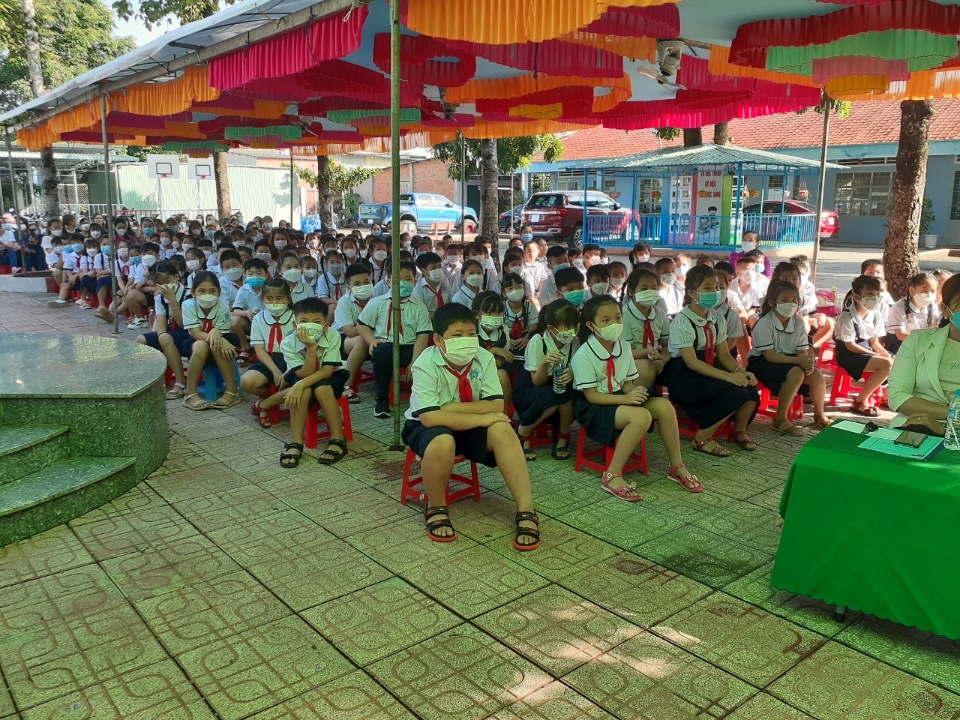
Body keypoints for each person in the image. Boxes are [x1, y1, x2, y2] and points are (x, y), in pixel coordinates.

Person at [401, 303, 539, 550]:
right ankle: (436, 507)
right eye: (457, 335)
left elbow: (496, 404)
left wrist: (449, 407)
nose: (466, 340)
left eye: (471, 334)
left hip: (463, 422)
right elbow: (429, 418)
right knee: (442, 441)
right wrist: (480, 418)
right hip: (425, 426)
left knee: (503, 429)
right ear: (438, 340)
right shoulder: (425, 363)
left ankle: (526, 510)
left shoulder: (483, 358)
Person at [572, 295, 702, 498]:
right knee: (641, 416)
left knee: (664, 407)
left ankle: (677, 466)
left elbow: (626, 383)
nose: (614, 324)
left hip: (618, 397)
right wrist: (626, 399)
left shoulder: (623, 346)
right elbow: (592, 396)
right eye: (606, 320)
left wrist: (633, 392)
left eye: (617, 318)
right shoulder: (583, 355)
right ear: (591, 325)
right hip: (594, 406)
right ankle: (612, 474)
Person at [667, 265, 760, 456]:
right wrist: (727, 377)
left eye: (717, 287)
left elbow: (724, 355)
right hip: (685, 375)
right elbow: (691, 362)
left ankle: (739, 430)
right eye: (707, 288)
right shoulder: (682, 321)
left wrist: (740, 372)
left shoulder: (717, 319)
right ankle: (702, 438)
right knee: (733, 391)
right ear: (692, 293)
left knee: (749, 388)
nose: (715, 292)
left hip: (709, 366)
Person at [747, 280, 831, 434]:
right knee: (796, 372)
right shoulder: (765, 323)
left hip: (788, 360)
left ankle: (819, 415)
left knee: (816, 375)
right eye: (784, 300)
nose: (790, 304)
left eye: (794, 300)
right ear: (773, 302)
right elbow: (769, 355)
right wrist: (798, 361)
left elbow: (801, 350)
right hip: (762, 362)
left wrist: (806, 362)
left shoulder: (798, 323)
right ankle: (780, 418)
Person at [278, 297, 351, 467]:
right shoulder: (288, 342)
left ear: (325, 326)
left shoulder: (332, 335)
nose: (309, 326)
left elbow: (327, 371)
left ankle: (338, 439)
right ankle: (296, 442)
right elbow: (304, 374)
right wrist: (311, 348)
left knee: (321, 388)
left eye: (316, 322)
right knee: (303, 392)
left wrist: (299, 385)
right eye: (304, 321)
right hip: (303, 373)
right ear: (295, 325)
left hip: (331, 374)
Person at [357, 261, 432, 418]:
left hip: (410, 347)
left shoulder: (419, 307)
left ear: (415, 281)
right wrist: (371, 340)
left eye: (408, 279)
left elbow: (422, 335)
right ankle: (382, 399)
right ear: (389, 281)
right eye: (398, 279)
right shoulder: (377, 302)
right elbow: (362, 325)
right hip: (386, 346)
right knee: (384, 352)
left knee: (429, 356)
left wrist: (414, 360)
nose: (403, 282)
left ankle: (424, 400)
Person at [888, 273, 960, 432]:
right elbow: (897, 396)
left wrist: (948, 426)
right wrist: (950, 414)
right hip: (918, 423)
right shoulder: (918, 341)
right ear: (945, 310)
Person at [514, 299, 579, 461]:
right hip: (530, 388)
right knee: (554, 398)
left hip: (557, 386)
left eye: (574, 326)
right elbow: (537, 382)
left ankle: (563, 437)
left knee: (568, 395)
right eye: (567, 327)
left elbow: (575, 368)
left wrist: (571, 373)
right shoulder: (538, 341)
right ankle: (525, 431)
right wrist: (544, 363)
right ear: (551, 328)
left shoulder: (575, 342)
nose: (571, 331)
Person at [833, 274, 893, 417]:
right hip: (849, 355)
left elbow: (874, 342)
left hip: (867, 350)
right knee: (885, 364)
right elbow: (851, 346)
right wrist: (878, 356)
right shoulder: (846, 316)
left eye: (877, 294)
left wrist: (885, 354)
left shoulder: (876, 315)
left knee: (895, 360)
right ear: (856, 297)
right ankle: (860, 400)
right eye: (870, 294)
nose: (875, 297)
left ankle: (885, 395)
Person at [181, 271, 241, 411]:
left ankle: (232, 391)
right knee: (201, 345)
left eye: (212, 290)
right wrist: (216, 336)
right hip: (196, 343)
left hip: (222, 340)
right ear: (193, 293)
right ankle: (190, 393)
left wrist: (217, 334)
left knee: (217, 344)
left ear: (219, 293)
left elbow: (221, 331)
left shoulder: (223, 307)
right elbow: (196, 333)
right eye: (201, 291)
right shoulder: (188, 305)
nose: (207, 295)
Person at [240, 279, 295, 427]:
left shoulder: (296, 317)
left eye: (279, 298)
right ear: (262, 299)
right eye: (269, 298)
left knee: (302, 384)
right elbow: (259, 349)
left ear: (288, 299)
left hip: (294, 359)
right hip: (269, 359)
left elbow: (301, 349)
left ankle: (265, 404)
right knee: (247, 382)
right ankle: (272, 396)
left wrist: (289, 371)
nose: (274, 303)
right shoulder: (259, 319)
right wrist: (275, 371)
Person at [134, 261, 192, 399]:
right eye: (160, 283)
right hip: (170, 335)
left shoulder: (188, 294)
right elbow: (161, 325)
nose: (165, 286)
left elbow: (182, 324)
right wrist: (161, 339)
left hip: (189, 335)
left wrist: (172, 301)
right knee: (142, 339)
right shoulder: (159, 298)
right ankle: (152, 379)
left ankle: (180, 382)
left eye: (167, 281)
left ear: (176, 277)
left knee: (165, 337)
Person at [622, 267, 669, 389]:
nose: (650, 292)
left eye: (654, 288)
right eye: (644, 289)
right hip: (632, 359)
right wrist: (648, 352)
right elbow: (627, 352)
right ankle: (637, 397)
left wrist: (662, 360)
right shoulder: (624, 315)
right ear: (631, 292)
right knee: (646, 367)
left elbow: (666, 344)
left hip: (655, 357)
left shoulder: (660, 313)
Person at [335, 265, 374, 403]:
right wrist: (369, 326)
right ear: (349, 287)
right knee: (360, 340)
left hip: (371, 337)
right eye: (357, 284)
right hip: (343, 341)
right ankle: (346, 385)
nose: (363, 286)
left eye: (366, 282)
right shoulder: (344, 302)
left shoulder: (377, 299)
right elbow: (349, 331)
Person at [472, 291, 515, 417]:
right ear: (477, 314)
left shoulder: (503, 330)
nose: (495, 316)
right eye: (489, 313)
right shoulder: (471, 330)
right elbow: (471, 358)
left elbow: (500, 362)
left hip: (492, 369)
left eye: (499, 312)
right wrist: (493, 350)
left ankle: (504, 416)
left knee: (502, 374)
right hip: (471, 369)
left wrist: (485, 355)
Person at [884, 272, 940, 354]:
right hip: (900, 343)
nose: (929, 294)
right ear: (912, 290)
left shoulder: (932, 307)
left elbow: (934, 330)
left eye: (932, 291)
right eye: (924, 290)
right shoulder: (899, 307)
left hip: (923, 342)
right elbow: (901, 335)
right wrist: (925, 341)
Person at [231, 257, 269, 365]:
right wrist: (246, 313)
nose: (255, 276)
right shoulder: (243, 289)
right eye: (250, 274)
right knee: (233, 321)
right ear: (245, 275)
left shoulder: (270, 288)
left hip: (267, 323)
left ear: (266, 275)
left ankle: (264, 349)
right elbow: (235, 311)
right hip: (250, 323)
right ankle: (245, 347)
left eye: (259, 273)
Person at [501, 271, 538, 360]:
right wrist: (506, 341)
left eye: (518, 287)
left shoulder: (530, 307)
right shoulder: (501, 308)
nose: (515, 291)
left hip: (525, 341)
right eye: (510, 288)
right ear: (504, 293)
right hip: (506, 342)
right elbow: (499, 328)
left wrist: (526, 339)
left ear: (524, 288)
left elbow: (533, 327)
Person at [412, 251, 450, 318]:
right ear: (423, 271)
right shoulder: (418, 289)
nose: (438, 270)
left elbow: (451, 301)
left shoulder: (444, 282)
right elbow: (420, 313)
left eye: (439, 266)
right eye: (433, 268)